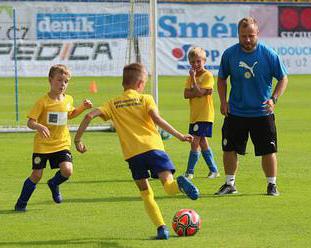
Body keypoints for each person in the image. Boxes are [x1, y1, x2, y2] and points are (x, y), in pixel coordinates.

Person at [74, 63, 199, 240]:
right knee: (169, 187)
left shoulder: (112, 103)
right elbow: (157, 118)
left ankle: (161, 228)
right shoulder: (146, 98)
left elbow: (89, 116)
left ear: (123, 82)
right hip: (154, 148)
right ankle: (179, 184)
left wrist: (78, 139)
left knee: (146, 193)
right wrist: (179, 135)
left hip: (133, 155)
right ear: (140, 84)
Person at [215, 17, 288, 196]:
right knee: (229, 148)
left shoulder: (269, 55)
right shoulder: (230, 54)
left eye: (251, 36)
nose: (247, 40)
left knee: (268, 150)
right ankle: (229, 184)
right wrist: (223, 102)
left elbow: (283, 78)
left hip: (262, 112)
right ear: (238, 35)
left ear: (257, 34)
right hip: (236, 111)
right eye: (243, 36)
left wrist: (274, 99)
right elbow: (222, 78)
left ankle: (272, 185)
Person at [14, 64, 93, 211]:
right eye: (59, 80)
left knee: (67, 170)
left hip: (61, 143)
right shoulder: (42, 102)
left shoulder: (68, 99)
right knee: (37, 175)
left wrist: (82, 107)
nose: (62, 84)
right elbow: (30, 122)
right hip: (43, 145)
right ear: (50, 80)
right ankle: (21, 203)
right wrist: (39, 126)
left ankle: (54, 183)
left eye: (66, 81)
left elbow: (70, 114)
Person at [183, 47, 219, 179]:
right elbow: (186, 94)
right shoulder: (190, 77)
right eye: (192, 62)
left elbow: (197, 92)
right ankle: (214, 170)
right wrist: (199, 91)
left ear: (204, 61)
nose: (195, 65)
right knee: (202, 141)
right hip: (195, 115)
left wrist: (194, 83)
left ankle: (189, 172)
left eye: (198, 61)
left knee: (195, 141)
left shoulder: (207, 75)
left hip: (205, 114)